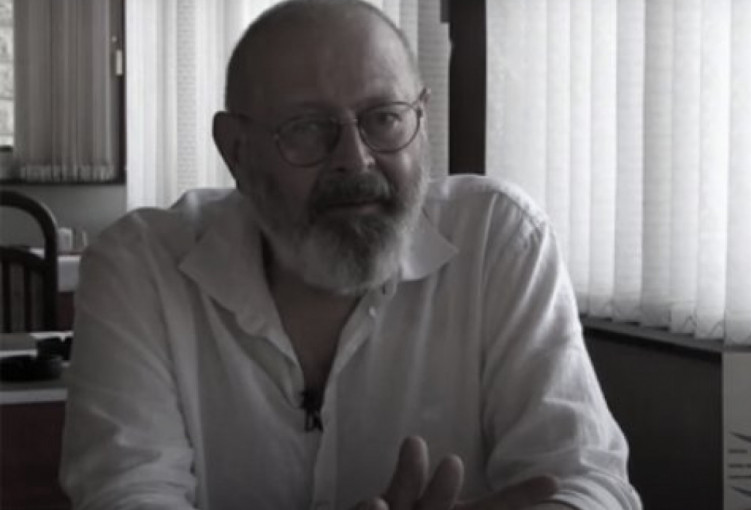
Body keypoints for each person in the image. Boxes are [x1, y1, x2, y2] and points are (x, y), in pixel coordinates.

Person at [60, 1, 642, 509]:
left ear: (421, 121)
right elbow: (128, 494)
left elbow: (587, 479)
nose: (355, 160)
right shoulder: (141, 267)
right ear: (236, 149)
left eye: (384, 118)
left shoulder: (498, 239)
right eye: (308, 128)